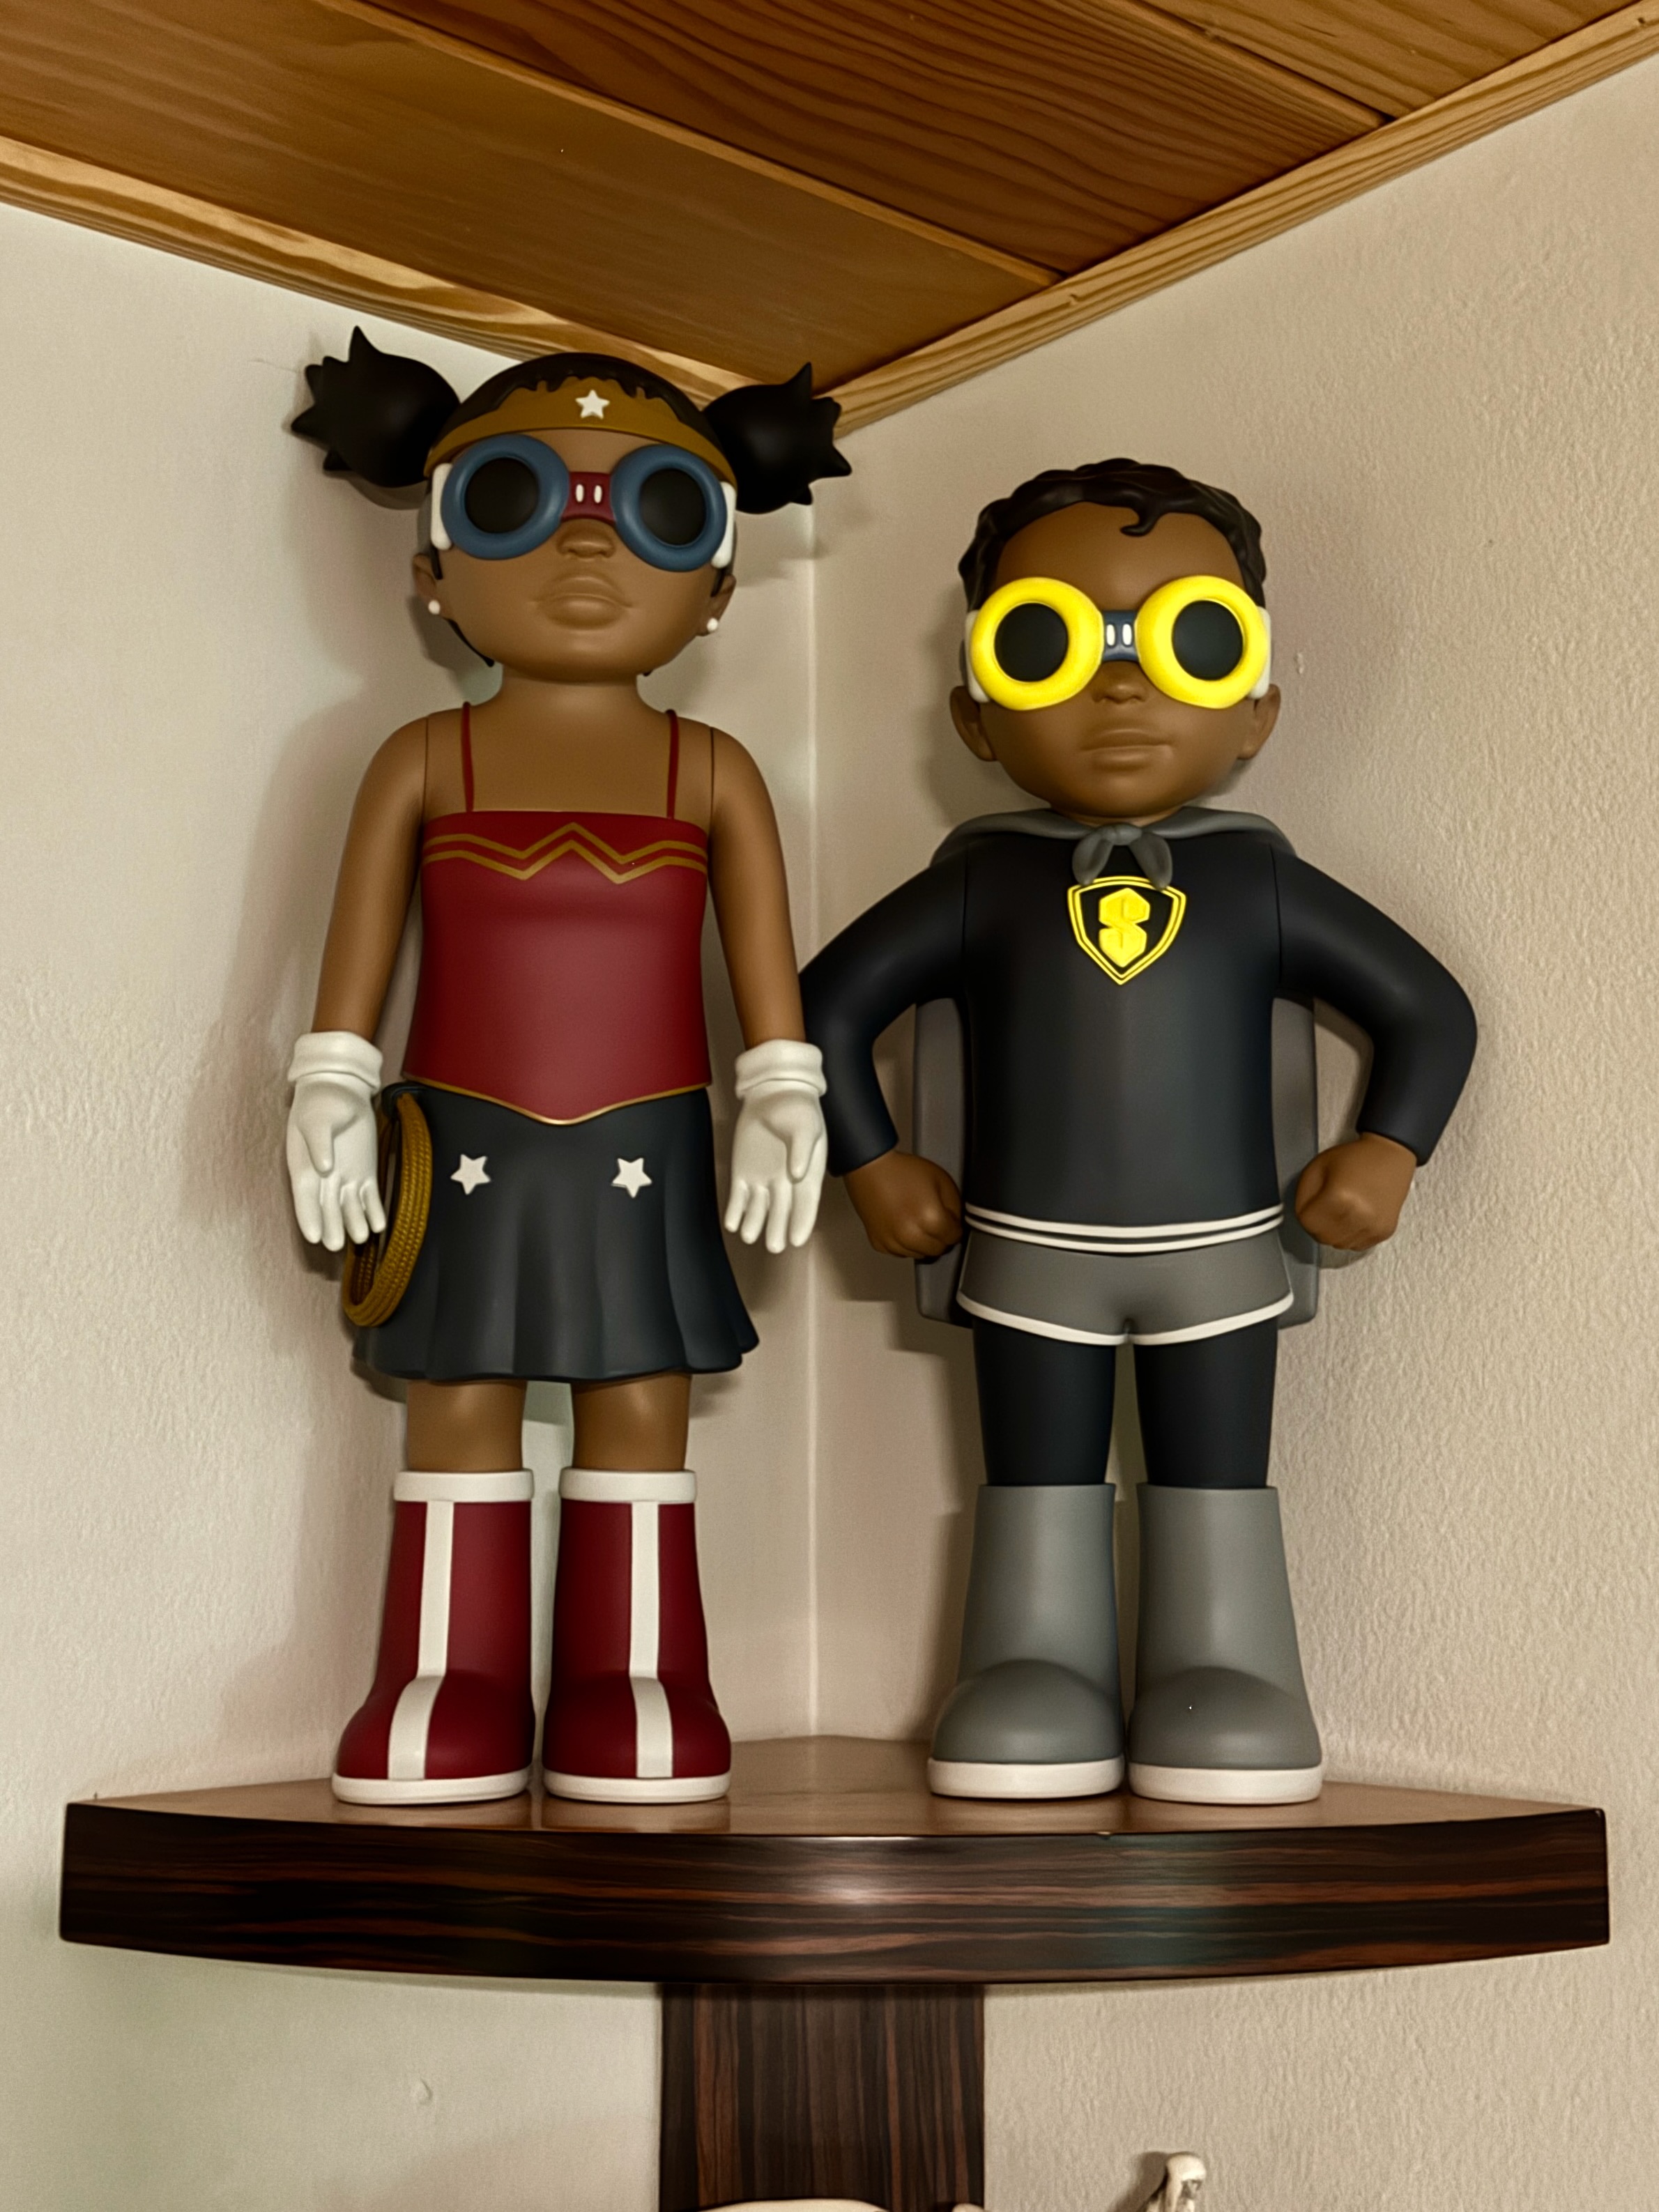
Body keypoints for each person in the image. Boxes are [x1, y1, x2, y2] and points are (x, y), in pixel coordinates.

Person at [802, 460, 1475, 1805]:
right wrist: (871, 1159)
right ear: (977, 711)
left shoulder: (1259, 880)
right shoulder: (983, 883)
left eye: (1188, 640)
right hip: (1027, 1254)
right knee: (1033, 1465)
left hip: (1223, 1252)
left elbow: (1429, 1008)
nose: (1120, 687)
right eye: (1047, 642)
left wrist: (1391, 1145)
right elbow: (822, 1008)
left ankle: (1230, 1666)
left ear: (1257, 706)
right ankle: (1030, 1661)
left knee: (1217, 1464)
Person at [286, 332, 847, 1806]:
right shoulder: (424, 758)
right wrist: (327, 1082)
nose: (585, 545)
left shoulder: (712, 771)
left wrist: (783, 1093)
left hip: (647, 1145)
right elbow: (356, 967)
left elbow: (767, 977)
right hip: (456, 1137)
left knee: (639, 1400)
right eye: (514, 498)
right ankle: (446, 1674)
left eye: (654, 507)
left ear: (716, 585)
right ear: (433, 568)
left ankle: (636, 1674)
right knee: (457, 1392)